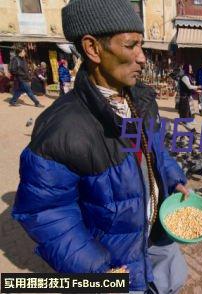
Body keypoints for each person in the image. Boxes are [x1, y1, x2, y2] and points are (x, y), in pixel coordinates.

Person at [12, 0, 190, 293]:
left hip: (156, 236)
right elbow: (46, 212)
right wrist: (95, 268)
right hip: (114, 258)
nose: (142, 57)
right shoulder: (61, 129)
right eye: (131, 45)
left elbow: (156, 151)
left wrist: (174, 179)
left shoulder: (141, 100)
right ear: (93, 48)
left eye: (141, 45)